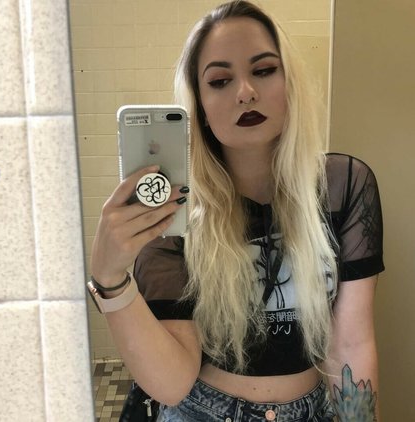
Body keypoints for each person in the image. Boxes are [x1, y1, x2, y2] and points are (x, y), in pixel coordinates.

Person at [89, 1, 384, 420]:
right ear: (201, 106)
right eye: (220, 80)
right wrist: (111, 279)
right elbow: (171, 383)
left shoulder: (344, 186)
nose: (245, 92)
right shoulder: (178, 208)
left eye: (263, 70)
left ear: (290, 82)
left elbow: (352, 346)